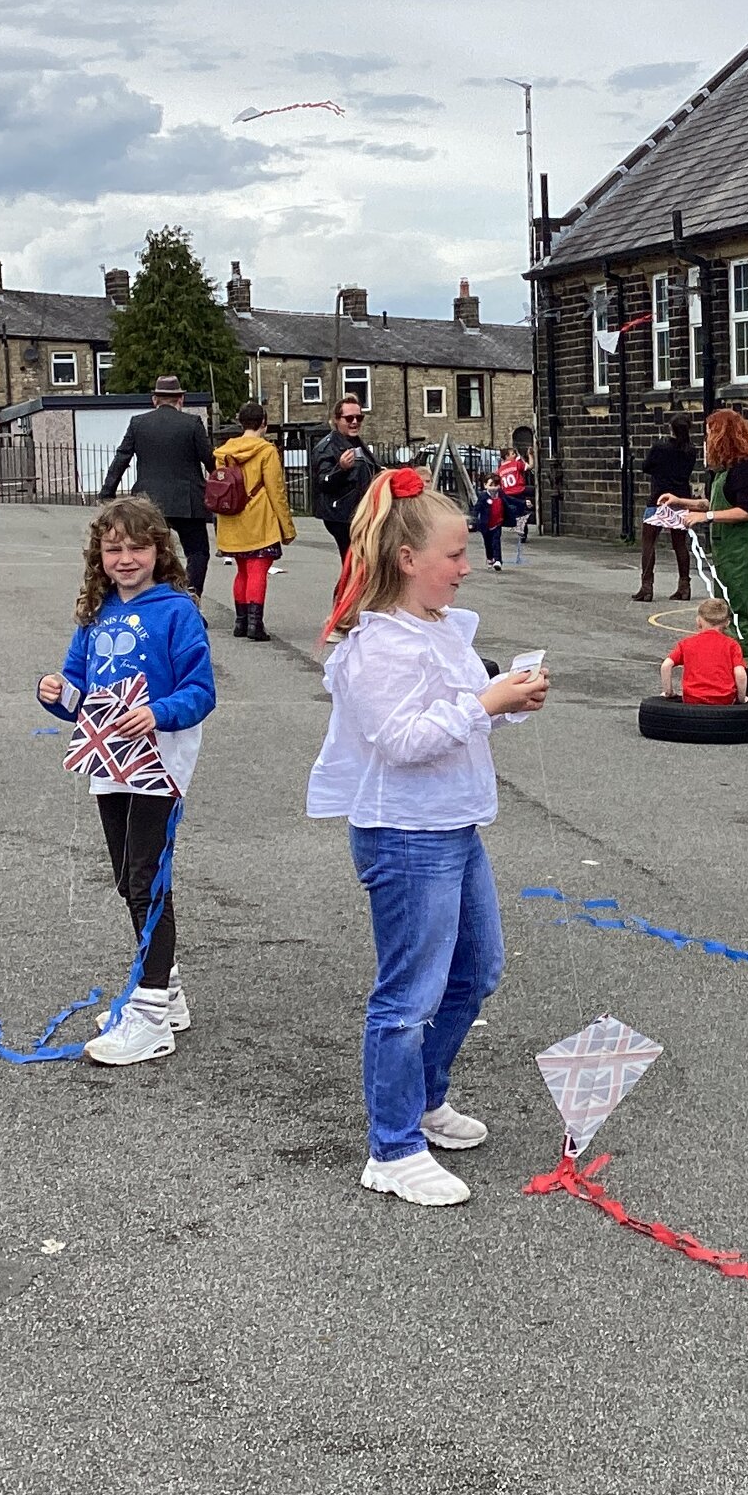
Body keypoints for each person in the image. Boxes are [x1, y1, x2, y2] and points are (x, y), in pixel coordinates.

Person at [306, 468, 550, 1207]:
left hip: (452, 826)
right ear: (407, 560)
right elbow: (405, 740)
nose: (465, 567)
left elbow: (462, 713)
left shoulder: (440, 629)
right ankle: (392, 1145)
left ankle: (422, 1098)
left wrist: (511, 700)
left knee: (477, 972)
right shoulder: (380, 645)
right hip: (405, 835)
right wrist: (485, 702)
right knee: (408, 995)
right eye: (453, 555)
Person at [36, 497, 216, 1067]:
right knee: (125, 878)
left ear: (159, 551)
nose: (125, 558)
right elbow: (77, 685)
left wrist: (159, 712)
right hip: (107, 757)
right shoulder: (97, 612)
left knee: (146, 878)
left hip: (159, 759)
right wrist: (56, 693)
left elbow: (201, 691)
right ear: (100, 556)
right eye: (113, 548)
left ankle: (149, 1012)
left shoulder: (177, 612)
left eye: (137, 547)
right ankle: (167, 986)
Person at [655, 408, 748, 688]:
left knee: (737, 608)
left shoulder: (746, 469)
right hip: (722, 547)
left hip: (739, 548)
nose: (706, 439)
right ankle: (730, 663)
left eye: (710, 432)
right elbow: (712, 505)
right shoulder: (724, 471)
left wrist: (706, 517)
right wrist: (682, 501)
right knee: (723, 608)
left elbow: (744, 511)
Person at [100, 375, 218, 605]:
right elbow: (209, 460)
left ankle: (153, 600)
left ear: (155, 399)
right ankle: (190, 600)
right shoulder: (192, 424)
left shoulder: (138, 423)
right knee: (198, 553)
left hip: (148, 503)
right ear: (180, 399)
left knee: (150, 550)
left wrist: (107, 493)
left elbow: (121, 458)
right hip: (187, 501)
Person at [211, 400, 297, 643]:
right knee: (258, 570)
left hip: (232, 518)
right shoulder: (267, 451)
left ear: (240, 422)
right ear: (264, 423)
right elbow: (276, 490)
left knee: (241, 572)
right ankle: (254, 624)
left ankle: (240, 621)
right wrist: (286, 527)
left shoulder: (224, 452)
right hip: (260, 518)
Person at [633, 415, 696, 602]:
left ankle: (646, 587)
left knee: (648, 542)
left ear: (671, 429)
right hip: (681, 499)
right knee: (680, 544)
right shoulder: (691, 450)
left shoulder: (660, 447)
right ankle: (684, 585)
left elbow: (646, 467)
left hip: (658, 499)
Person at [310, 395, 380, 558]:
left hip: (359, 511)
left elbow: (370, 471)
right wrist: (341, 469)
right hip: (342, 515)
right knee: (354, 561)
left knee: (361, 561)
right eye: (349, 418)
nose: (355, 422)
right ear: (336, 420)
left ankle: (351, 584)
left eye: (359, 417)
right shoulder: (326, 447)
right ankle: (349, 584)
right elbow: (323, 481)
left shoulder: (356, 443)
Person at [660, 598, 748, 704]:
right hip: (724, 700)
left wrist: (669, 693)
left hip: (693, 699)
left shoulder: (686, 643)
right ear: (727, 623)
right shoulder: (732, 645)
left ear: (698, 621)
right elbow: (740, 673)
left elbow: (666, 666)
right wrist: (741, 699)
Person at [497, 440, 533, 554]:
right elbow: (530, 466)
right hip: (519, 490)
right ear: (507, 456)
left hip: (507, 493)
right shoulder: (516, 464)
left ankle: (515, 524)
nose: (515, 455)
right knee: (522, 512)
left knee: (512, 511)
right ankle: (522, 533)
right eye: (513, 454)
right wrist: (530, 455)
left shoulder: (500, 470)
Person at [474, 475, 507, 571]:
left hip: (497, 523)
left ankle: (498, 560)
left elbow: (509, 502)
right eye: (491, 485)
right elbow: (477, 508)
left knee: (496, 541)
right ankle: (490, 558)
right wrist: (473, 520)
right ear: (485, 485)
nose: (494, 488)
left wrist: (523, 503)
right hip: (485, 525)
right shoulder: (483, 496)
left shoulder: (501, 495)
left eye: (496, 485)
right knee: (488, 543)